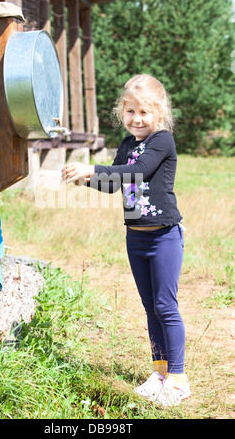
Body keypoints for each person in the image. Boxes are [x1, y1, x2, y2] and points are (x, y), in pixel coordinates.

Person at [61, 74, 190, 407]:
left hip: (164, 237)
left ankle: (177, 379)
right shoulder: (127, 144)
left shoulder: (162, 141)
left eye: (144, 112)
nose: (137, 119)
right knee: (150, 308)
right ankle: (159, 373)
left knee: (166, 306)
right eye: (131, 112)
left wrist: (91, 168)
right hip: (136, 238)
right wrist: (84, 181)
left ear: (159, 113)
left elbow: (137, 172)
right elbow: (112, 184)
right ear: (123, 112)